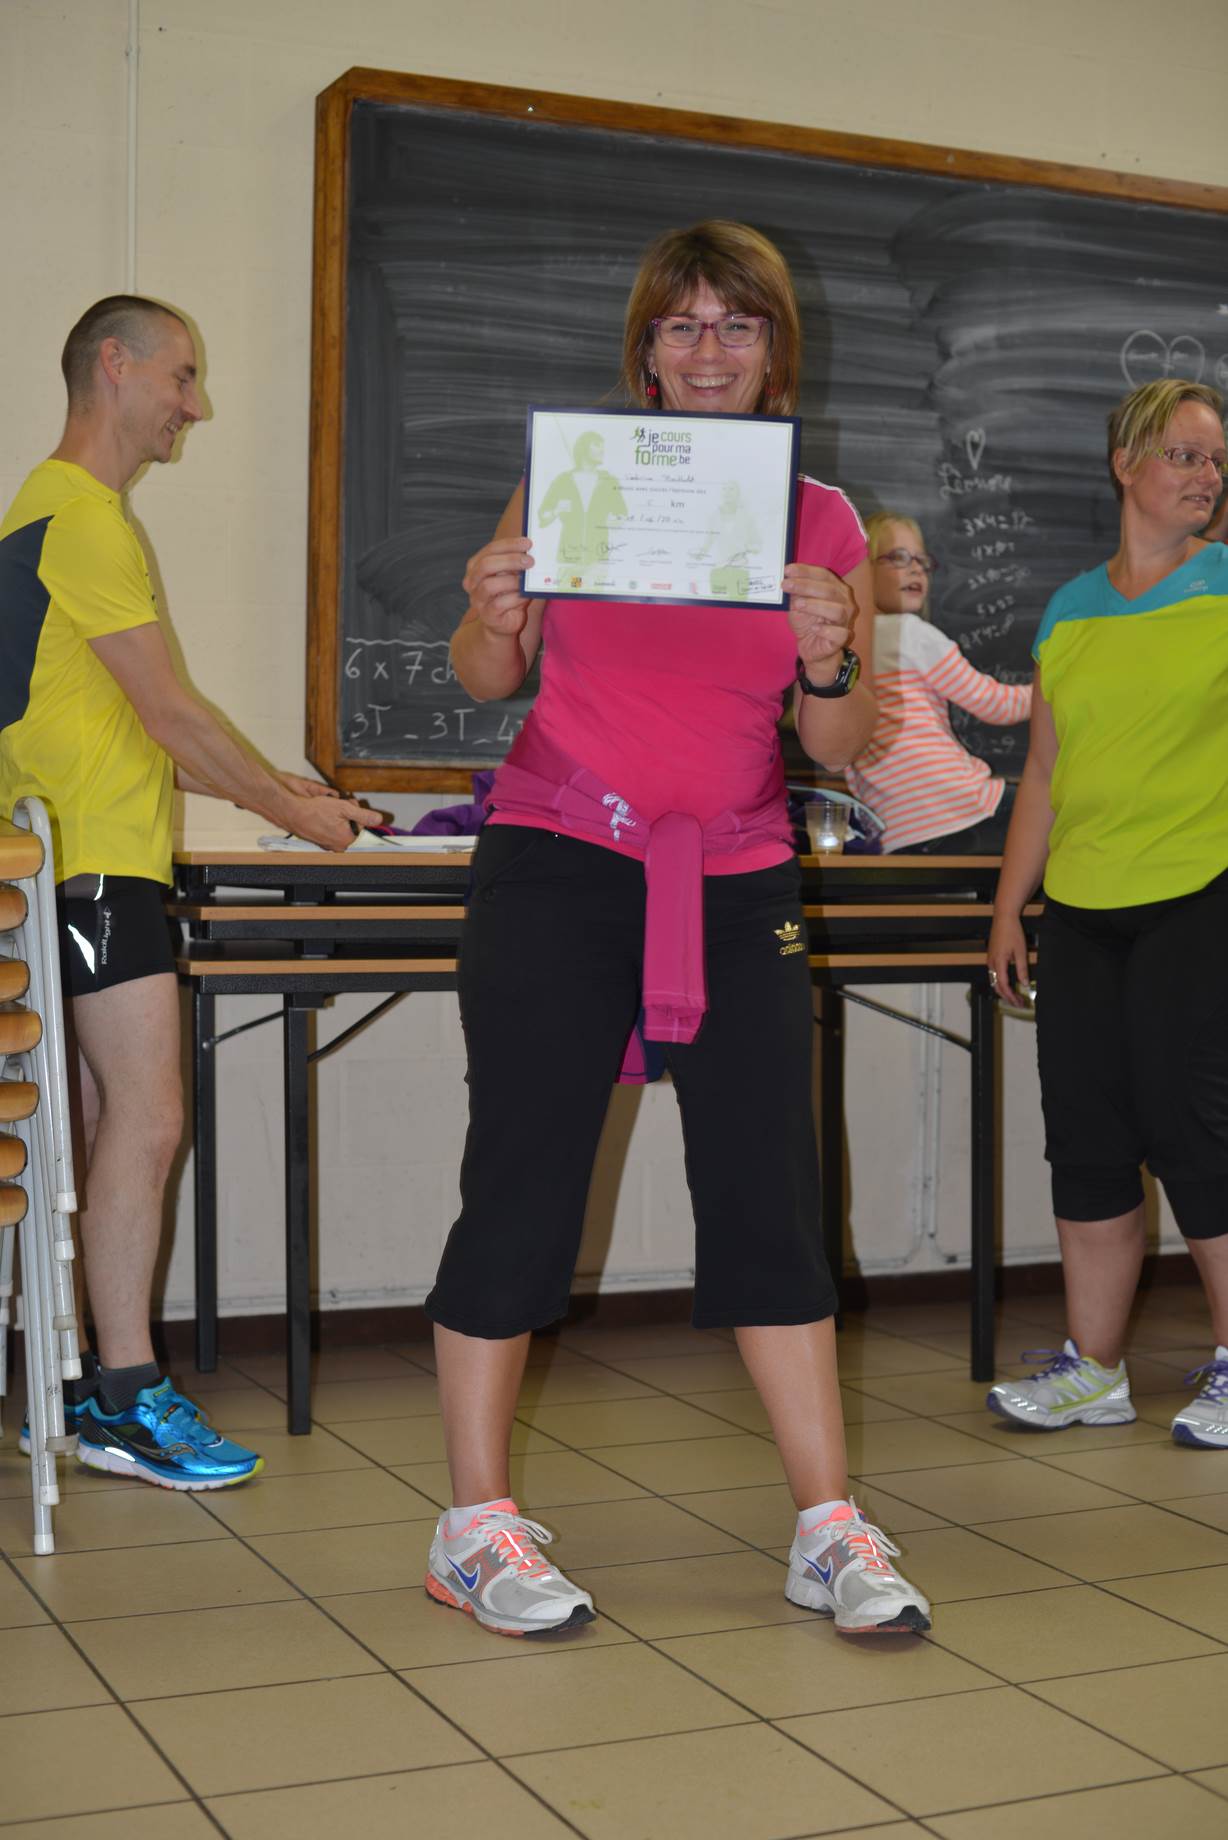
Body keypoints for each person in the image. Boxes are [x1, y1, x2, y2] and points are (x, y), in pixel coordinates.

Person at [422, 221, 931, 1639]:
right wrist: (493, 612)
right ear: (644, 348)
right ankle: (471, 1526)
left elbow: (836, 740)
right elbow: (485, 675)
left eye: (737, 325)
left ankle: (826, 1527)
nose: (709, 350)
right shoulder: (573, 478)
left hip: (738, 872)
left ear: (775, 349)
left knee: (772, 1191)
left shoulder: (820, 518)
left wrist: (832, 652)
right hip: (556, 859)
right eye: (683, 324)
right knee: (522, 1178)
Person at [0, 295, 377, 1488]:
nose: (194, 405)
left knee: (99, 1130)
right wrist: (292, 814)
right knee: (150, 1118)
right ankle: (123, 1395)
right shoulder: (82, 517)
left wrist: (279, 785)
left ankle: (74, 1385)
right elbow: (169, 715)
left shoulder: (46, 511)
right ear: (113, 367)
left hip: (77, 866)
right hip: (94, 870)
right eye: (180, 376)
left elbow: (134, 724)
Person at [987, 378, 1228, 1446]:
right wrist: (1011, 908)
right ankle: (1093, 1370)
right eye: (1182, 454)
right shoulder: (1070, 608)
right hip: (1082, 908)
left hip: (1201, 893)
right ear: (1124, 465)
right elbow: (1043, 770)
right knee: (1086, 1139)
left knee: (1197, 1131)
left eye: (1215, 459)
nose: (1206, 475)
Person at [844, 513, 1031, 852]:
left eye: (922, 561)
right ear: (863, 570)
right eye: (899, 558)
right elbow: (996, 705)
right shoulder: (910, 633)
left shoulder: (841, 650)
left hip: (897, 831)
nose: (916, 570)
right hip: (959, 809)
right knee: (1059, 815)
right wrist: (1056, 685)